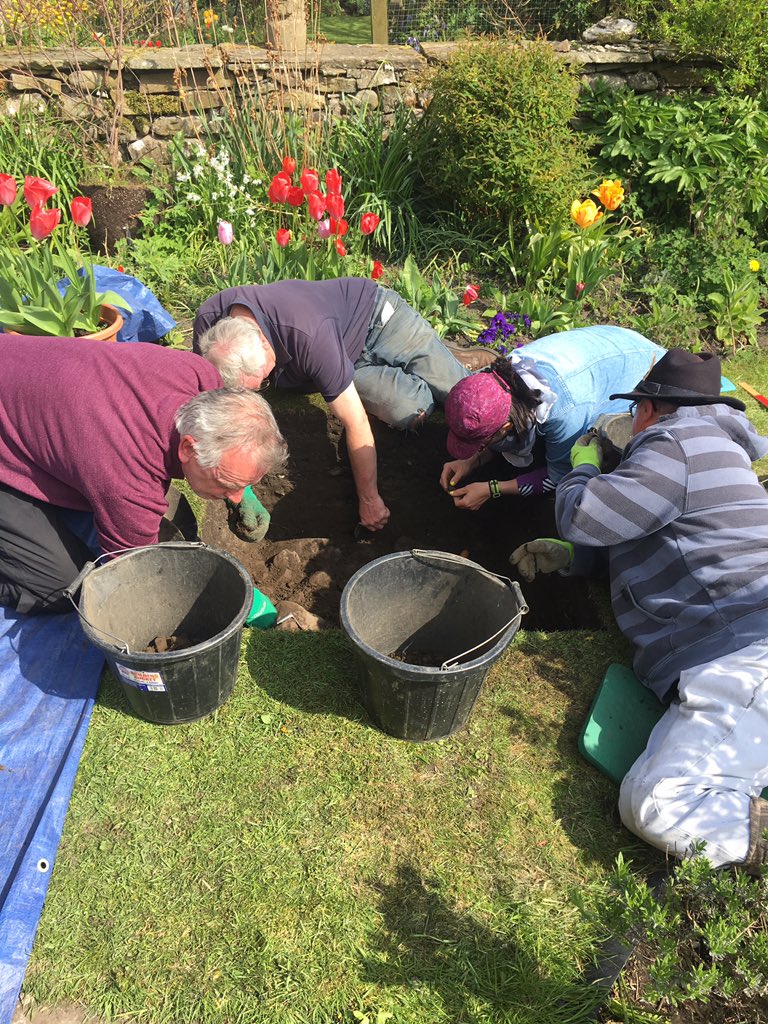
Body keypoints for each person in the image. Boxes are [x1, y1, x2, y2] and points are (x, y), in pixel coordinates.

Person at [511, 349, 768, 873]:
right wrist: (575, 559)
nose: (630, 422)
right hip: (744, 640)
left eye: (634, 411)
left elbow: (585, 515)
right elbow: (662, 539)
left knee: (655, 803)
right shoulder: (713, 449)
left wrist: (579, 473)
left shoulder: (676, 444)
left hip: (741, 655)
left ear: (650, 409)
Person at [0, 335, 287, 615]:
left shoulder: (201, 376)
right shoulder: (128, 480)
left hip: (17, 369)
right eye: (227, 484)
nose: (235, 496)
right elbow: (134, 576)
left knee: (171, 518)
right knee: (63, 587)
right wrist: (235, 601)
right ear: (188, 447)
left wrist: (241, 490)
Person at [192, 278, 469, 531]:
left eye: (264, 381)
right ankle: (416, 368)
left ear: (264, 343)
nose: (265, 386)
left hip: (380, 320)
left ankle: (440, 356)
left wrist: (369, 500)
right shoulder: (209, 325)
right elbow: (217, 416)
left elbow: (356, 422)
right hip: (344, 359)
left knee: (461, 396)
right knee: (409, 409)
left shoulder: (307, 332)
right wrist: (239, 490)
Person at [439, 325, 665, 508]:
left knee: (599, 454)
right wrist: (470, 461)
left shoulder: (564, 412)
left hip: (648, 371)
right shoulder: (494, 380)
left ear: (507, 425)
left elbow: (559, 478)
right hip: (608, 343)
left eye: (484, 440)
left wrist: (492, 489)